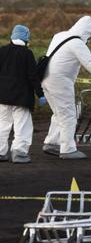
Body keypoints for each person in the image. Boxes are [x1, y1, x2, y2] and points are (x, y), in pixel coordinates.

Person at [42, 16, 91, 159]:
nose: (89, 40)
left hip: (45, 78)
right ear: (87, 33)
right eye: (90, 36)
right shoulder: (77, 43)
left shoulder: (59, 36)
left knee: (59, 113)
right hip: (60, 81)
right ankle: (68, 149)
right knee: (69, 114)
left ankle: (52, 142)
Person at [0, 25, 46, 163]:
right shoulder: (27, 53)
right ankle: (19, 153)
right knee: (22, 125)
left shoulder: (1, 51)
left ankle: (0, 153)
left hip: (2, 97)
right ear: (26, 37)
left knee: (2, 124)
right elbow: (33, 77)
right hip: (21, 97)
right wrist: (40, 94)